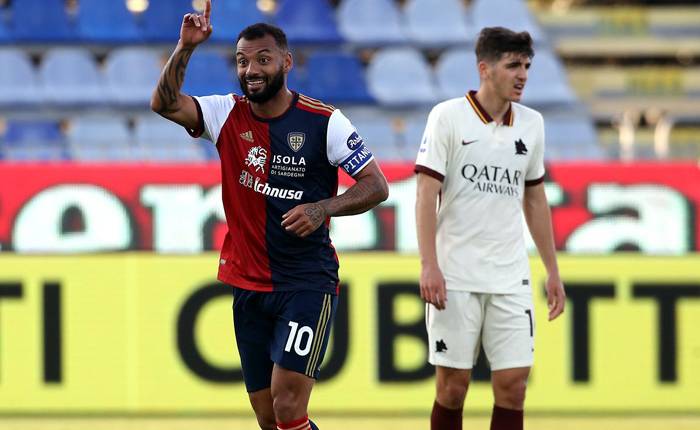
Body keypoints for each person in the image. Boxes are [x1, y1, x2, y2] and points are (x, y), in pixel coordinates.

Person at [150, 2, 389, 429]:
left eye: (263, 59)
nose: (251, 70)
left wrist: (322, 208)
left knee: (288, 406)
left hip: (305, 282)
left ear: (286, 63)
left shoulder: (325, 122)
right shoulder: (226, 113)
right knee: (268, 418)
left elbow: (376, 185)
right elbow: (164, 103)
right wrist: (185, 47)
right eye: (242, 61)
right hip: (247, 284)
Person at [414, 27, 566, 430]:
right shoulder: (447, 117)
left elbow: (535, 199)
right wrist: (429, 265)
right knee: (452, 387)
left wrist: (552, 270)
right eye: (513, 65)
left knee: (514, 387)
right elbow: (426, 194)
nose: (523, 75)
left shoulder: (532, 124)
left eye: (527, 65)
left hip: (510, 275)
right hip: (455, 274)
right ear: (485, 69)